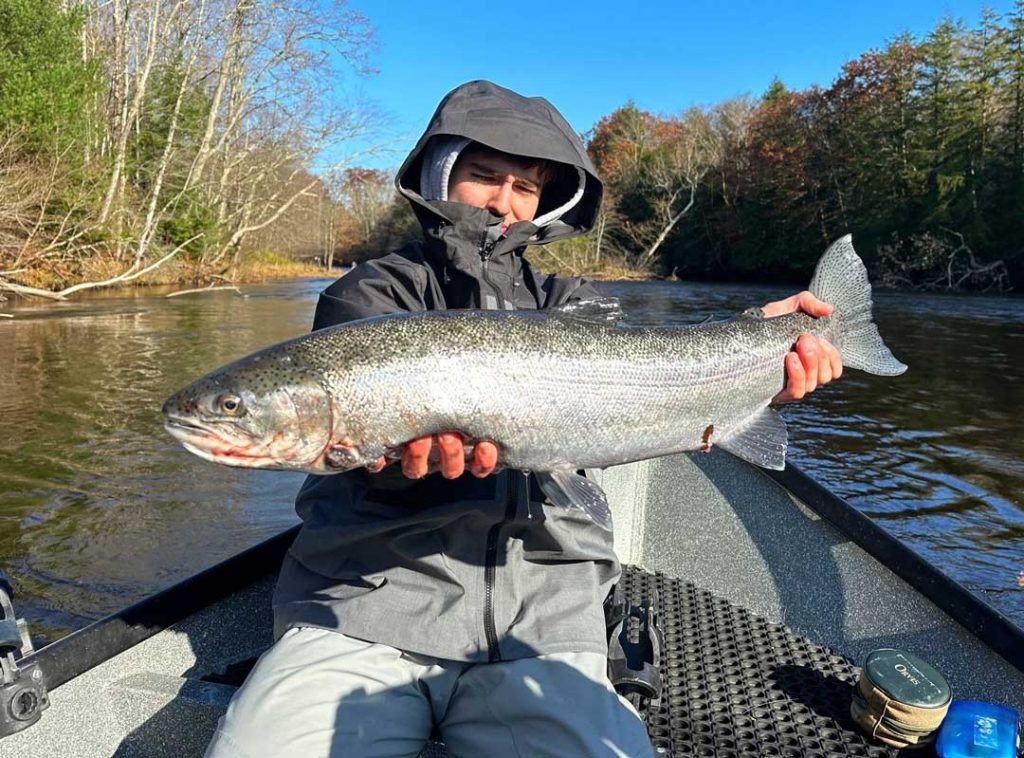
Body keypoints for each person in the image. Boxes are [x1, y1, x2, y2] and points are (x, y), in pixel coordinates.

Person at [205, 80, 841, 758]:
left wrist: (762, 353)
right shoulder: (370, 295)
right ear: (439, 173)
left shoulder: (572, 302)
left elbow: (666, 374)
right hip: (365, 599)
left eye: (526, 187)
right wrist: (394, 466)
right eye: (483, 175)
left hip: (545, 610)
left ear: (549, 203)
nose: (504, 201)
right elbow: (362, 455)